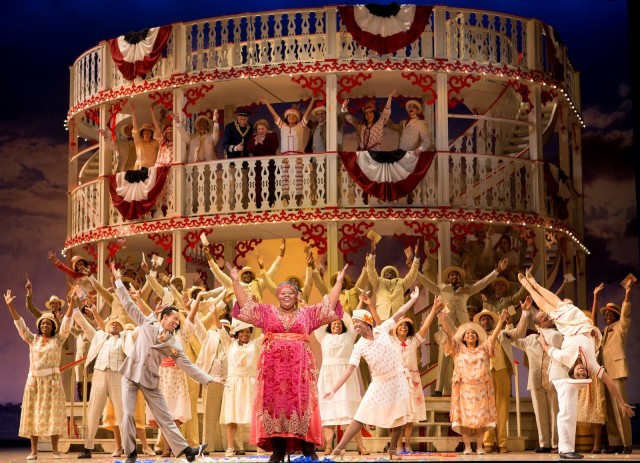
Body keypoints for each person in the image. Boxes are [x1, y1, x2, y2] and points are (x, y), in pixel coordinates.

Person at [229, 262, 348, 462]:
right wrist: (234, 280)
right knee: (275, 407)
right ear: (277, 296)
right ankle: (278, 450)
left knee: (302, 406)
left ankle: (308, 449)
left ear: (297, 296)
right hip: (273, 372)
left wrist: (337, 283)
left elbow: (329, 306)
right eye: (283, 293)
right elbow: (245, 306)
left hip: (299, 372)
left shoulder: (308, 314)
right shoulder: (266, 313)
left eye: (290, 293)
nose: (286, 296)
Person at [110, 263, 215, 463]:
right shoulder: (147, 324)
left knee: (166, 417)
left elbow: (187, 365)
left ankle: (187, 451)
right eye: (174, 318)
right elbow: (128, 305)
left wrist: (208, 379)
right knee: (128, 414)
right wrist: (117, 281)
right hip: (130, 375)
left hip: (150, 380)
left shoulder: (172, 342)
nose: (176, 322)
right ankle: (131, 453)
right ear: (164, 317)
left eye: (178, 320)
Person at [324, 287, 423, 461]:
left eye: (357, 322)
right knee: (361, 414)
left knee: (400, 414)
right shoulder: (359, 346)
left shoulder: (382, 330)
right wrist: (333, 389)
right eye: (353, 323)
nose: (354, 325)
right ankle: (339, 449)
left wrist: (413, 300)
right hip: (378, 383)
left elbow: (399, 313)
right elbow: (349, 370)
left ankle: (393, 449)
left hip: (397, 378)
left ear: (367, 321)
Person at [418, 258, 507, 396]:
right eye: (451, 275)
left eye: (456, 275)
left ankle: (467, 386)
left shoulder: (466, 289)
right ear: (448, 278)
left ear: (459, 278)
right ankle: (438, 389)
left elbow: (482, 283)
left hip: (463, 328)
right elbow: (426, 282)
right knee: (444, 357)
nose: (454, 276)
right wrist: (414, 268)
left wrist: (497, 271)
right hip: (447, 326)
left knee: (466, 357)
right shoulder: (441, 289)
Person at [4, 289, 74, 460]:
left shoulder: (58, 340)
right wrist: (10, 306)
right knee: (32, 415)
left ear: (53, 327)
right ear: (39, 326)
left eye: (48, 324)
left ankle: (55, 450)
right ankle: (33, 451)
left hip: (52, 382)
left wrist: (72, 304)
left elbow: (66, 325)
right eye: (42, 324)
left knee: (54, 416)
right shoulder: (33, 339)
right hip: (34, 382)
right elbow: (21, 325)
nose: (44, 325)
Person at [439, 298, 509, 455]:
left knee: (480, 419)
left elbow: (492, 338)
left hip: (481, 388)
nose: (470, 334)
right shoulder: (459, 349)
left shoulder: (484, 348)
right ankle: (468, 447)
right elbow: (451, 334)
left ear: (477, 338)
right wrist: (443, 320)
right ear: (463, 338)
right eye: (468, 333)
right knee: (464, 418)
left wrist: (501, 322)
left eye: (473, 333)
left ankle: (479, 447)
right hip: (464, 389)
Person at [73, 305, 131, 459]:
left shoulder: (125, 338)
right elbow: (84, 325)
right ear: (106, 327)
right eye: (112, 323)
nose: (114, 324)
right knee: (93, 411)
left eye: (118, 324)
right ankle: (87, 447)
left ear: (122, 329)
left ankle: (129, 448)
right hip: (99, 374)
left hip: (118, 376)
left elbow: (136, 333)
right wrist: (74, 308)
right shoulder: (99, 336)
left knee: (122, 413)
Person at [473, 297, 529, 453]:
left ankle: (502, 443)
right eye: (482, 319)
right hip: (483, 374)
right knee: (485, 408)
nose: (485, 322)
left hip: (501, 372)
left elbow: (518, 332)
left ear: (493, 321)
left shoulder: (503, 334)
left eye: (487, 319)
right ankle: (488, 442)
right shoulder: (477, 337)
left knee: (502, 407)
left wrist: (524, 312)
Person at [509, 297, 563, 453]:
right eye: (544, 319)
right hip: (536, 380)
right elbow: (513, 339)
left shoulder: (556, 336)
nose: (548, 319)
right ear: (538, 325)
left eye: (547, 317)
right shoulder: (531, 339)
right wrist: (523, 314)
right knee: (540, 413)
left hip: (553, 378)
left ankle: (556, 444)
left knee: (555, 412)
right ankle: (544, 443)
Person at [314, 309, 368, 456]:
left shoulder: (349, 336)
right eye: (333, 324)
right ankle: (328, 446)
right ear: (329, 326)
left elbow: (352, 323)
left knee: (350, 413)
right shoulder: (323, 337)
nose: (336, 325)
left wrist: (360, 304)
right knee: (328, 413)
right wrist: (322, 307)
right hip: (328, 376)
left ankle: (360, 445)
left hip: (346, 376)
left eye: (339, 323)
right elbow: (317, 324)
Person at [391, 299, 441, 453]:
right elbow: (380, 324)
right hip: (397, 379)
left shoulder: (413, 341)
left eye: (406, 325)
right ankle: (397, 445)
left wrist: (433, 308)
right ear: (396, 329)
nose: (404, 327)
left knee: (410, 415)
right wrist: (372, 307)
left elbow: (425, 326)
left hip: (412, 380)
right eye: (401, 325)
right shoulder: (391, 342)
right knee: (398, 414)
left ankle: (407, 444)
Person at [186, 289, 230, 453]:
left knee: (229, 417)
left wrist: (218, 317)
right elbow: (195, 325)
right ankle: (207, 447)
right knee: (209, 416)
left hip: (228, 382)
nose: (222, 331)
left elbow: (223, 334)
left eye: (227, 328)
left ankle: (233, 446)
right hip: (211, 380)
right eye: (220, 328)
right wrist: (192, 306)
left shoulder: (231, 342)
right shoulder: (209, 338)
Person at [219, 319, 263, 457]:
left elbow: (266, 331)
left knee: (255, 416)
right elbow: (219, 329)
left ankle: (259, 446)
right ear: (237, 333)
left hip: (249, 382)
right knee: (231, 416)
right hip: (233, 383)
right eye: (242, 331)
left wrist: (256, 314)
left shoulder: (255, 344)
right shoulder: (229, 344)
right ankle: (230, 447)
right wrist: (214, 312)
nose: (245, 334)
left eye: (248, 331)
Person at [599, 281, 633, 454]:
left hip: (617, 372)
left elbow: (626, 315)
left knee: (621, 408)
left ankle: (626, 442)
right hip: (605, 374)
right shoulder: (604, 332)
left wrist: (627, 294)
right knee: (610, 412)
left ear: (616, 316)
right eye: (605, 315)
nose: (607, 317)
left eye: (610, 314)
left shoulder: (620, 328)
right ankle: (615, 443)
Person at [203, 239, 285, 303]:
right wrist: (209, 256)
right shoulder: (235, 285)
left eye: (250, 273)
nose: (248, 275)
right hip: (241, 323)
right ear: (241, 277)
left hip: (257, 320)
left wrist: (281, 255)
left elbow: (271, 273)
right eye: (245, 273)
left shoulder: (258, 283)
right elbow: (219, 274)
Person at [366, 242, 420, 320]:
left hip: (398, 317)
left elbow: (412, 275)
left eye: (392, 271)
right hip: (382, 317)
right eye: (387, 272)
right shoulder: (378, 282)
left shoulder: (401, 283)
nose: (389, 272)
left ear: (396, 275)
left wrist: (416, 258)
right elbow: (371, 271)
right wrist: (372, 253)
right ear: (383, 275)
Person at [130, 102, 161, 169]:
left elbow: (158, 132)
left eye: (148, 131)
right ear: (142, 132)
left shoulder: (154, 143)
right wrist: (133, 113)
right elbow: (135, 129)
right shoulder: (138, 142)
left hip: (152, 168)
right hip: (139, 168)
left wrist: (152, 113)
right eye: (144, 130)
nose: (146, 132)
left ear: (151, 133)